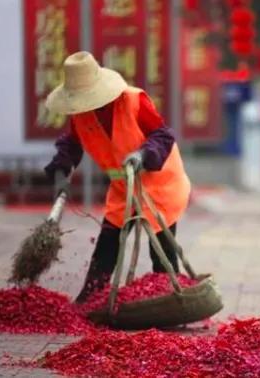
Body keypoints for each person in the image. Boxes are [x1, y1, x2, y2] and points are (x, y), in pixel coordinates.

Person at [44, 51, 191, 303]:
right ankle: (90, 298)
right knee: (108, 241)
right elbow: (71, 144)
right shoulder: (80, 113)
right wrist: (60, 169)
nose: (85, 104)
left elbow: (163, 135)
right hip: (124, 186)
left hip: (159, 183)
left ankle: (171, 300)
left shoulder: (133, 101)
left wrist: (143, 155)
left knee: (162, 248)